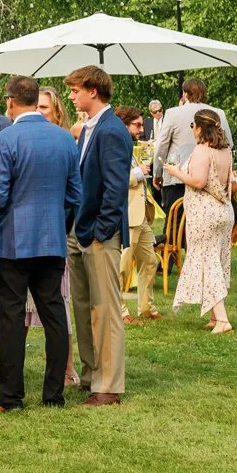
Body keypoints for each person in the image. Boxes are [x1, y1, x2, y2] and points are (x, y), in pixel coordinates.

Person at [0, 75, 78, 411]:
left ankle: (11, 397)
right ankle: (54, 394)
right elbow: (74, 195)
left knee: (10, 318)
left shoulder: (7, 139)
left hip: (12, 242)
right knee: (54, 316)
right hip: (51, 241)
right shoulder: (66, 140)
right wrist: (57, 224)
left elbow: (1, 194)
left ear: (9, 102)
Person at [66, 65, 134, 407]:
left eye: (75, 89)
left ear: (94, 90)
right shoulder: (89, 128)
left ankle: (108, 385)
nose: (71, 95)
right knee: (82, 305)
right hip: (80, 229)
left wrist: (100, 232)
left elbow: (115, 187)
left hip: (97, 234)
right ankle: (92, 373)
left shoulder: (111, 131)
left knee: (105, 309)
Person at [171, 110, 236, 332]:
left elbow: (198, 181)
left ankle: (223, 319)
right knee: (214, 260)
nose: (192, 129)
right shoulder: (225, 150)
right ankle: (214, 316)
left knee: (207, 263)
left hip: (204, 212)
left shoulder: (202, 150)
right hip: (224, 210)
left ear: (199, 128)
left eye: (192, 125)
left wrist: (175, 172)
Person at [152, 79, 232, 219]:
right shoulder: (219, 113)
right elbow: (228, 143)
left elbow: (161, 146)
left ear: (185, 94)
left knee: (175, 225)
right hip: (211, 180)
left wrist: (157, 173)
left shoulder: (173, 113)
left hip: (178, 177)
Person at [120, 107, 161, 320]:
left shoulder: (130, 147)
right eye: (137, 125)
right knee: (123, 266)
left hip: (141, 215)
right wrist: (137, 173)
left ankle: (146, 308)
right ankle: (120, 310)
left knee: (150, 261)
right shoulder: (117, 146)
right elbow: (115, 180)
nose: (141, 129)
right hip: (127, 213)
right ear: (124, 124)